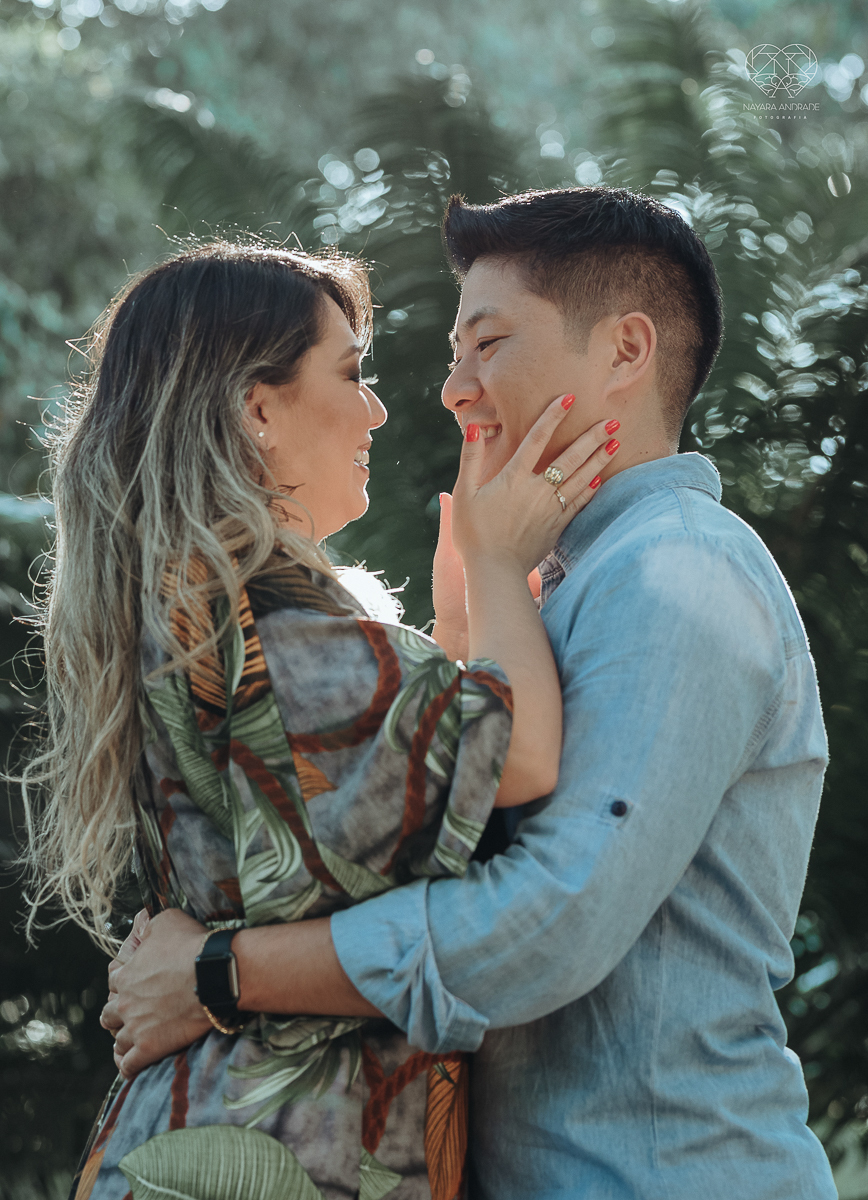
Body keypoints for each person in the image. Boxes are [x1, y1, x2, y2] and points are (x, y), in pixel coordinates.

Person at [105, 188, 838, 1200]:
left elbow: (554, 918)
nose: (451, 391)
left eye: (486, 344)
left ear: (625, 350)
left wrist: (220, 973)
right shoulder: (553, 586)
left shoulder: (680, 572)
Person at [20, 238, 619, 1200]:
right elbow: (525, 758)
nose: (378, 408)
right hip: (267, 1156)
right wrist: (502, 562)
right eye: (352, 373)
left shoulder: (211, 627)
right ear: (257, 407)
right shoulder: (275, 641)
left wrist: (462, 618)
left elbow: (355, 828)